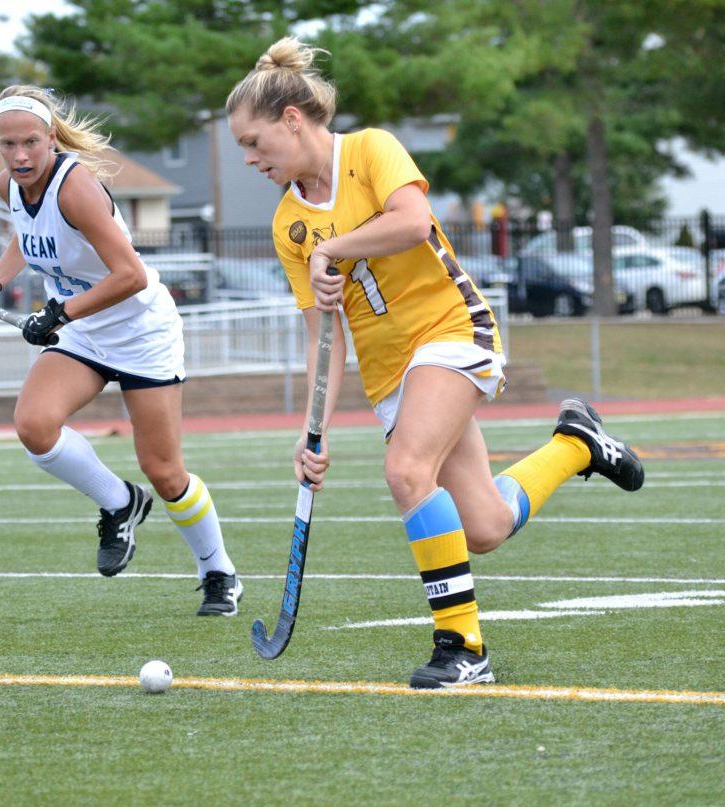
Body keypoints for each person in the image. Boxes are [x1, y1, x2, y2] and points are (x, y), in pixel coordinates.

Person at [226, 38, 644, 688]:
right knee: (486, 525)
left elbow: (414, 221)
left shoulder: (369, 150)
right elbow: (321, 335)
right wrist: (315, 431)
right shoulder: (289, 224)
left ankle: (463, 648)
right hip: (392, 371)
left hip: (452, 328)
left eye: (254, 142)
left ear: (292, 119)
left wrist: (334, 248)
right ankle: (576, 446)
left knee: (406, 469)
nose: (249, 159)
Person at [0, 86, 243, 615]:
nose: (20, 156)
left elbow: (130, 275)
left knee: (165, 471)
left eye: (31, 144)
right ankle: (119, 503)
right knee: (34, 425)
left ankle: (218, 570)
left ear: (51, 138)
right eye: (8, 145)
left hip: (139, 331)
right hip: (83, 332)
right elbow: (28, 233)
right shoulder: (9, 185)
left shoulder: (76, 189)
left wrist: (60, 313)